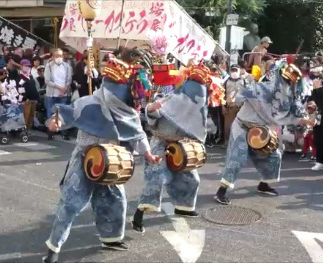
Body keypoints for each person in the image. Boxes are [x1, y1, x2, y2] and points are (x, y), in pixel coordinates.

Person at [42, 49, 161, 263]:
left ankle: (111, 238)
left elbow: (137, 133)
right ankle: (53, 249)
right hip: (85, 159)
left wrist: (149, 154)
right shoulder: (89, 102)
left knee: (116, 202)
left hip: (112, 161)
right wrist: (55, 122)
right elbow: (64, 115)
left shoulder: (128, 111)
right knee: (70, 204)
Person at [132, 62, 215, 233]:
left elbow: (198, 126)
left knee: (192, 179)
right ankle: (138, 216)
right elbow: (151, 111)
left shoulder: (198, 105)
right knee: (156, 179)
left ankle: (183, 207)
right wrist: (152, 109)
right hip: (161, 143)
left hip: (181, 147)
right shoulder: (172, 98)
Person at [214, 62, 313, 205]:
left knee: (274, 155)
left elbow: (289, 117)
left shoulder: (286, 99)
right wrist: (235, 96)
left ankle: (264, 184)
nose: (285, 84)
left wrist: (308, 122)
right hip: (242, 127)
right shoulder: (259, 88)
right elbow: (239, 95)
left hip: (262, 132)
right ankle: (221, 192)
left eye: (289, 82)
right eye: (285, 80)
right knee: (238, 157)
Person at [44, 48, 73, 140]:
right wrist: (59, 87)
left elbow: (69, 79)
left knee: (63, 113)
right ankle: (50, 132)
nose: (59, 57)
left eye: (61, 56)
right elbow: (47, 81)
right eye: (57, 56)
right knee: (50, 113)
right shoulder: (48, 66)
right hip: (51, 94)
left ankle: (64, 132)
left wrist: (64, 88)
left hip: (63, 94)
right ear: (53, 56)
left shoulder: (67, 66)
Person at [222, 63, 253, 146]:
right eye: (232, 70)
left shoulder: (244, 81)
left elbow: (248, 94)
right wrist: (223, 107)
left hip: (241, 107)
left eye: (236, 70)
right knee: (228, 126)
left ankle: (242, 142)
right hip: (229, 107)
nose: (234, 72)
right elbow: (221, 94)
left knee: (241, 126)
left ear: (239, 71)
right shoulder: (225, 81)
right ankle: (227, 142)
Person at [19, 59, 39, 131]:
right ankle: (23, 130)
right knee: (25, 116)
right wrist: (24, 99)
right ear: (21, 66)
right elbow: (20, 89)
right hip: (26, 100)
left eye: (28, 66)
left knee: (31, 116)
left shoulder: (30, 76)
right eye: (25, 66)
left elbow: (34, 87)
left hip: (33, 99)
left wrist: (36, 98)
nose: (27, 67)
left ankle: (28, 130)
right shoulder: (19, 76)